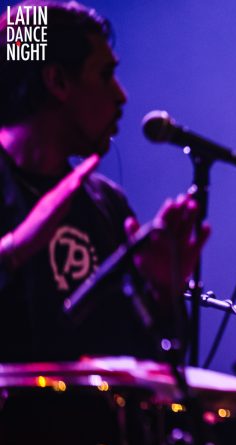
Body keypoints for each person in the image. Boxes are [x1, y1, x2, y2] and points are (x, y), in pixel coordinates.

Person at [0, 1, 210, 362]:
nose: (121, 94)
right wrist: (16, 248)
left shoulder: (105, 204)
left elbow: (152, 365)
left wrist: (162, 294)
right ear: (58, 81)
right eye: (105, 74)